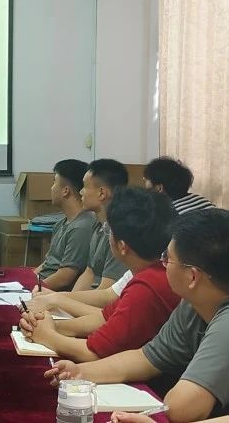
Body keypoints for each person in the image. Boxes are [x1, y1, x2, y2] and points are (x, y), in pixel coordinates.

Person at [45, 209, 229, 422]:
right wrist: (80, 372)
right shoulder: (193, 305)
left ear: (192, 276)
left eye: (167, 258)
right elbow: (148, 357)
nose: (162, 264)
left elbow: (181, 407)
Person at [21, 188, 180, 362]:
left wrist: (48, 336)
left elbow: (93, 352)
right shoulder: (151, 272)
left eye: (109, 231)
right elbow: (104, 317)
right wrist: (49, 325)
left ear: (122, 246)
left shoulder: (147, 287)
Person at [33, 160, 96, 291]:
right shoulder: (60, 224)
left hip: (51, 291)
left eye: (54, 182)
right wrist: (26, 279)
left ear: (65, 190)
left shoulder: (81, 227)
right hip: (42, 285)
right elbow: (47, 264)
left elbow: (65, 277)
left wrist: (32, 288)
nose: (51, 188)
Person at [71, 159, 129, 291]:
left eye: (84, 186)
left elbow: (106, 294)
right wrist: (63, 299)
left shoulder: (119, 233)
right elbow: (89, 272)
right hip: (89, 299)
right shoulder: (98, 225)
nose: (80, 192)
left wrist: (61, 299)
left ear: (102, 193)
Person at [144, 157, 215, 214]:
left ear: (159, 188)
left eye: (147, 178)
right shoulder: (202, 200)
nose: (143, 179)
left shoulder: (167, 214)